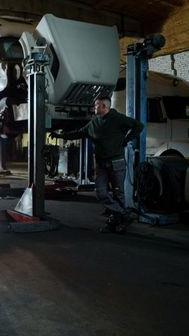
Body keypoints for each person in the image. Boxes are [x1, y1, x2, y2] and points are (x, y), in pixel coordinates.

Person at [52, 96, 144, 233]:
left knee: (119, 194)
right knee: (100, 192)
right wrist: (60, 136)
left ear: (104, 107)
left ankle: (116, 222)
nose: (94, 107)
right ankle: (124, 214)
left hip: (116, 163)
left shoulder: (118, 119)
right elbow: (79, 133)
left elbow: (139, 126)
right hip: (102, 164)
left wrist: (126, 140)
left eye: (96, 105)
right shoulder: (94, 122)